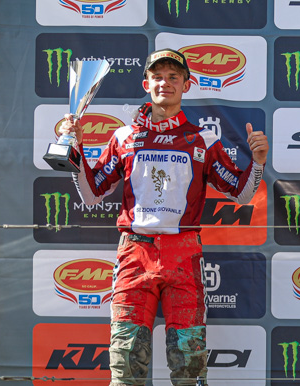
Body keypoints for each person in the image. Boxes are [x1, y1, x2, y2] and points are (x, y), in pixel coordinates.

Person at [62, 48, 268, 386]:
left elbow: (240, 194)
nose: (165, 83)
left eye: (173, 77)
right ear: (147, 84)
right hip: (135, 252)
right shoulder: (124, 136)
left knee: (189, 366)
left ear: (187, 85)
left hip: (184, 253)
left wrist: (257, 162)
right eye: (157, 76)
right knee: (126, 363)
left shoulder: (203, 139)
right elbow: (91, 193)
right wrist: (75, 151)